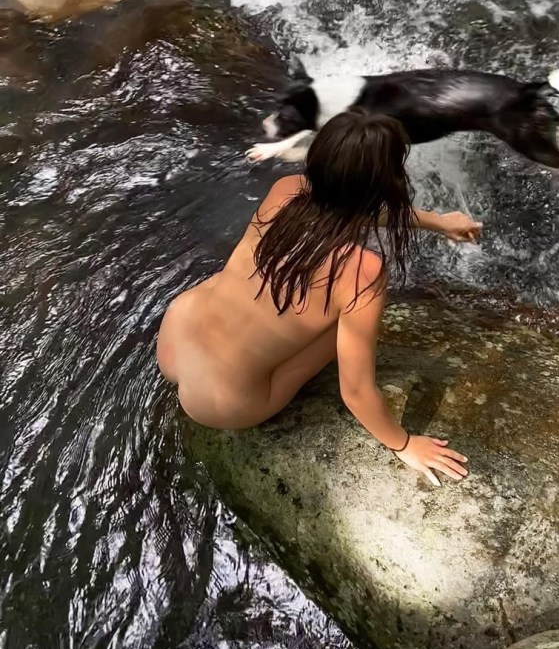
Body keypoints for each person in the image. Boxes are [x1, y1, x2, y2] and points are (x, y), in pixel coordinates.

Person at [157, 107, 482, 486]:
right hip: (224, 404)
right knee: (338, 329)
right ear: (388, 182)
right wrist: (403, 443)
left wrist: (436, 221)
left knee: (247, 272)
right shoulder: (363, 272)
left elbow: (338, 207)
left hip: (175, 343)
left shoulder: (286, 190)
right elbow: (356, 391)